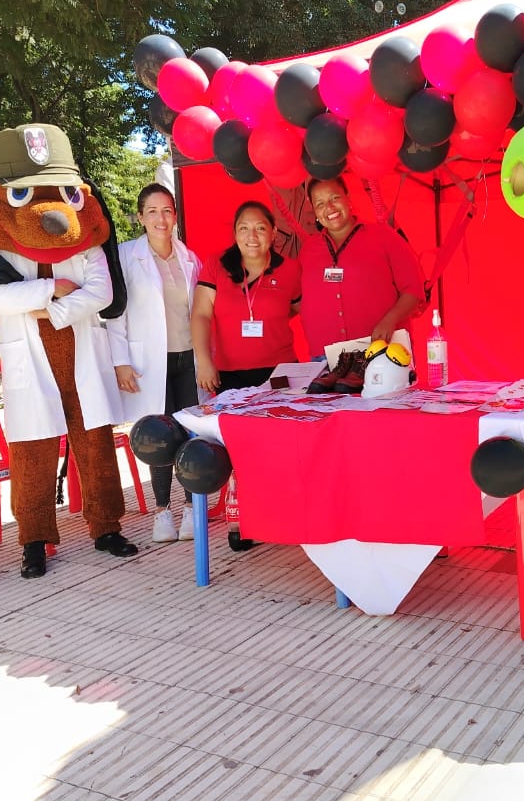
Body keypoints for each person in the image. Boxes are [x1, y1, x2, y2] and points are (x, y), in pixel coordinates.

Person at [0, 122, 137, 579]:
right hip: (30, 363)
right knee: (31, 450)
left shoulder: (82, 243)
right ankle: (34, 539)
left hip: (82, 358)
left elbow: (100, 291)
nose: (51, 210)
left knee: (96, 444)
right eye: (26, 193)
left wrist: (53, 309)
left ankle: (105, 527)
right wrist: (52, 288)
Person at [109, 183, 203, 543]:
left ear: (175, 216)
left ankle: (191, 508)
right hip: (150, 361)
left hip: (187, 358)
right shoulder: (125, 256)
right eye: (152, 212)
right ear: (140, 217)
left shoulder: (190, 258)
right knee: (158, 436)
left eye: (167, 211)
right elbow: (114, 316)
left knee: (188, 433)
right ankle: (162, 511)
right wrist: (120, 362)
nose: (160, 219)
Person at [297, 177, 426, 360]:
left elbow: (414, 290)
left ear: (348, 197)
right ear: (315, 211)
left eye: (334, 198)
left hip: (382, 351)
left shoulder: (384, 237)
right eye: (320, 203)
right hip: (327, 357)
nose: (330, 208)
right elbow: (295, 297)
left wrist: (389, 320)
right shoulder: (308, 249)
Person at [191, 200, 302, 394]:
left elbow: (303, 310)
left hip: (281, 371)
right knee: (236, 423)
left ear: (274, 232)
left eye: (260, 228)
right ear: (235, 233)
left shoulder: (290, 269)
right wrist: (204, 361)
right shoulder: (216, 265)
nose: (252, 236)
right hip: (230, 374)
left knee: (278, 421)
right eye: (244, 228)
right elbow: (201, 315)